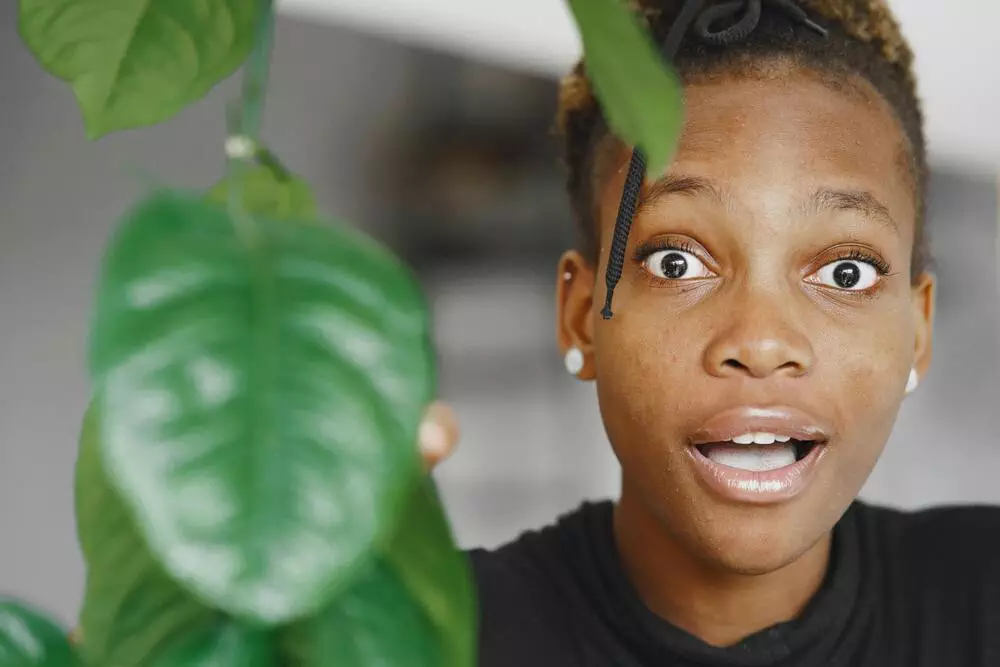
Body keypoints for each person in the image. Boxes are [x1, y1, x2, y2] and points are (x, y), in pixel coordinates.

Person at [417, 0, 1000, 665]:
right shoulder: (433, 638)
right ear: (580, 314)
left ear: (917, 331)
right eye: (677, 262)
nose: (759, 341)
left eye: (845, 271)